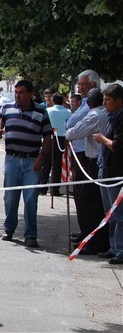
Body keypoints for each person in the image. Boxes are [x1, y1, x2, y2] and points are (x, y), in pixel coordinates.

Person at [0, 79, 53, 248]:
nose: (17, 96)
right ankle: (9, 228)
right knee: (10, 197)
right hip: (11, 159)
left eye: (21, 93)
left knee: (31, 198)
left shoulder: (41, 111)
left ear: (30, 94)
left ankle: (31, 234)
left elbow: (48, 136)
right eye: (16, 93)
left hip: (32, 161)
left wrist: (43, 156)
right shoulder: (6, 109)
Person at [65, 70, 107, 250]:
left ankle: (94, 240)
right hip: (91, 159)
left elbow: (71, 130)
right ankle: (88, 234)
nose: (79, 87)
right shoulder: (100, 112)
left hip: (95, 160)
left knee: (88, 202)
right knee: (90, 201)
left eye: (83, 84)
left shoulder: (95, 114)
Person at [94, 83, 123, 264]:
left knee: (118, 213)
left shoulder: (121, 119)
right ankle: (114, 247)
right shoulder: (112, 117)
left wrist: (102, 139)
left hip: (116, 173)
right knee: (110, 213)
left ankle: (120, 249)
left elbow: (118, 146)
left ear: (118, 101)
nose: (104, 103)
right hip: (106, 170)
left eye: (107, 100)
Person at [42, 93, 71, 196]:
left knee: (46, 163)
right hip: (62, 138)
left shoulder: (48, 111)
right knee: (57, 164)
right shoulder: (68, 112)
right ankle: (55, 189)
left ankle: (43, 187)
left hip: (50, 137)